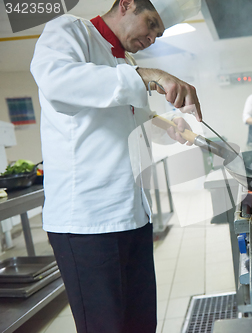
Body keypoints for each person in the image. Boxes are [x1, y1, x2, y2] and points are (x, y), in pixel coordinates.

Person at [30, 0, 201, 332]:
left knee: (139, 324)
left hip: (132, 217)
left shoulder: (126, 61)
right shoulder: (69, 31)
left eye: (159, 33)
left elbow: (121, 121)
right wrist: (148, 74)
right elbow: (54, 80)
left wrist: (168, 124)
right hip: (87, 223)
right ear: (127, 4)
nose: (153, 37)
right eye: (151, 24)